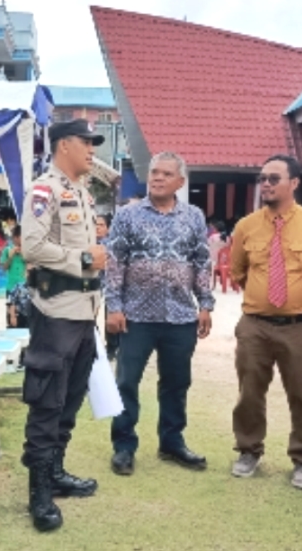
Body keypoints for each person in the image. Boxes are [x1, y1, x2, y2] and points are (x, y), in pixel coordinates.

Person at [228, 154, 302, 490]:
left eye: (274, 178)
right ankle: (248, 450)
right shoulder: (246, 225)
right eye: (262, 179)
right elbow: (239, 272)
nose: (266, 185)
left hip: (300, 325)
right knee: (249, 392)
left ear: (295, 183)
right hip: (254, 325)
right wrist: (264, 299)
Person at [20, 118, 107, 532]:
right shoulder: (45, 189)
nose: (92, 149)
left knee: (69, 402)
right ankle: (38, 493)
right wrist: (86, 259)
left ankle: (55, 472)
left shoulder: (81, 194)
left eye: (93, 143)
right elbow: (32, 246)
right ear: (63, 145)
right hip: (56, 313)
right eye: (86, 142)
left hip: (84, 312)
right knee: (47, 403)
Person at [106, 151, 215, 476]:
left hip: (181, 316)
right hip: (135, 316)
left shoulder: (194, 217)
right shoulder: (128, 215)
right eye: (154, 172)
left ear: (180, 182)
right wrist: (114, 306)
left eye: (166, 174)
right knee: (127, 382)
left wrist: (206, 303)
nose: (158, 178)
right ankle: (124, 446)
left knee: (176, 383)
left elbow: (201, 261)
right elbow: (114, 263)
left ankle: (172, 441)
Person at [95, 215, 120, 360]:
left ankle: (112, 348)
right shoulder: (87, 243)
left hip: (110, 285)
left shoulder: (113, 245)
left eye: (101, 225)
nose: (97, 228)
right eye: (95, 225)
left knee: (109, 316)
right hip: (91, 285)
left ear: (108, 228)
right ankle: (96, 345)